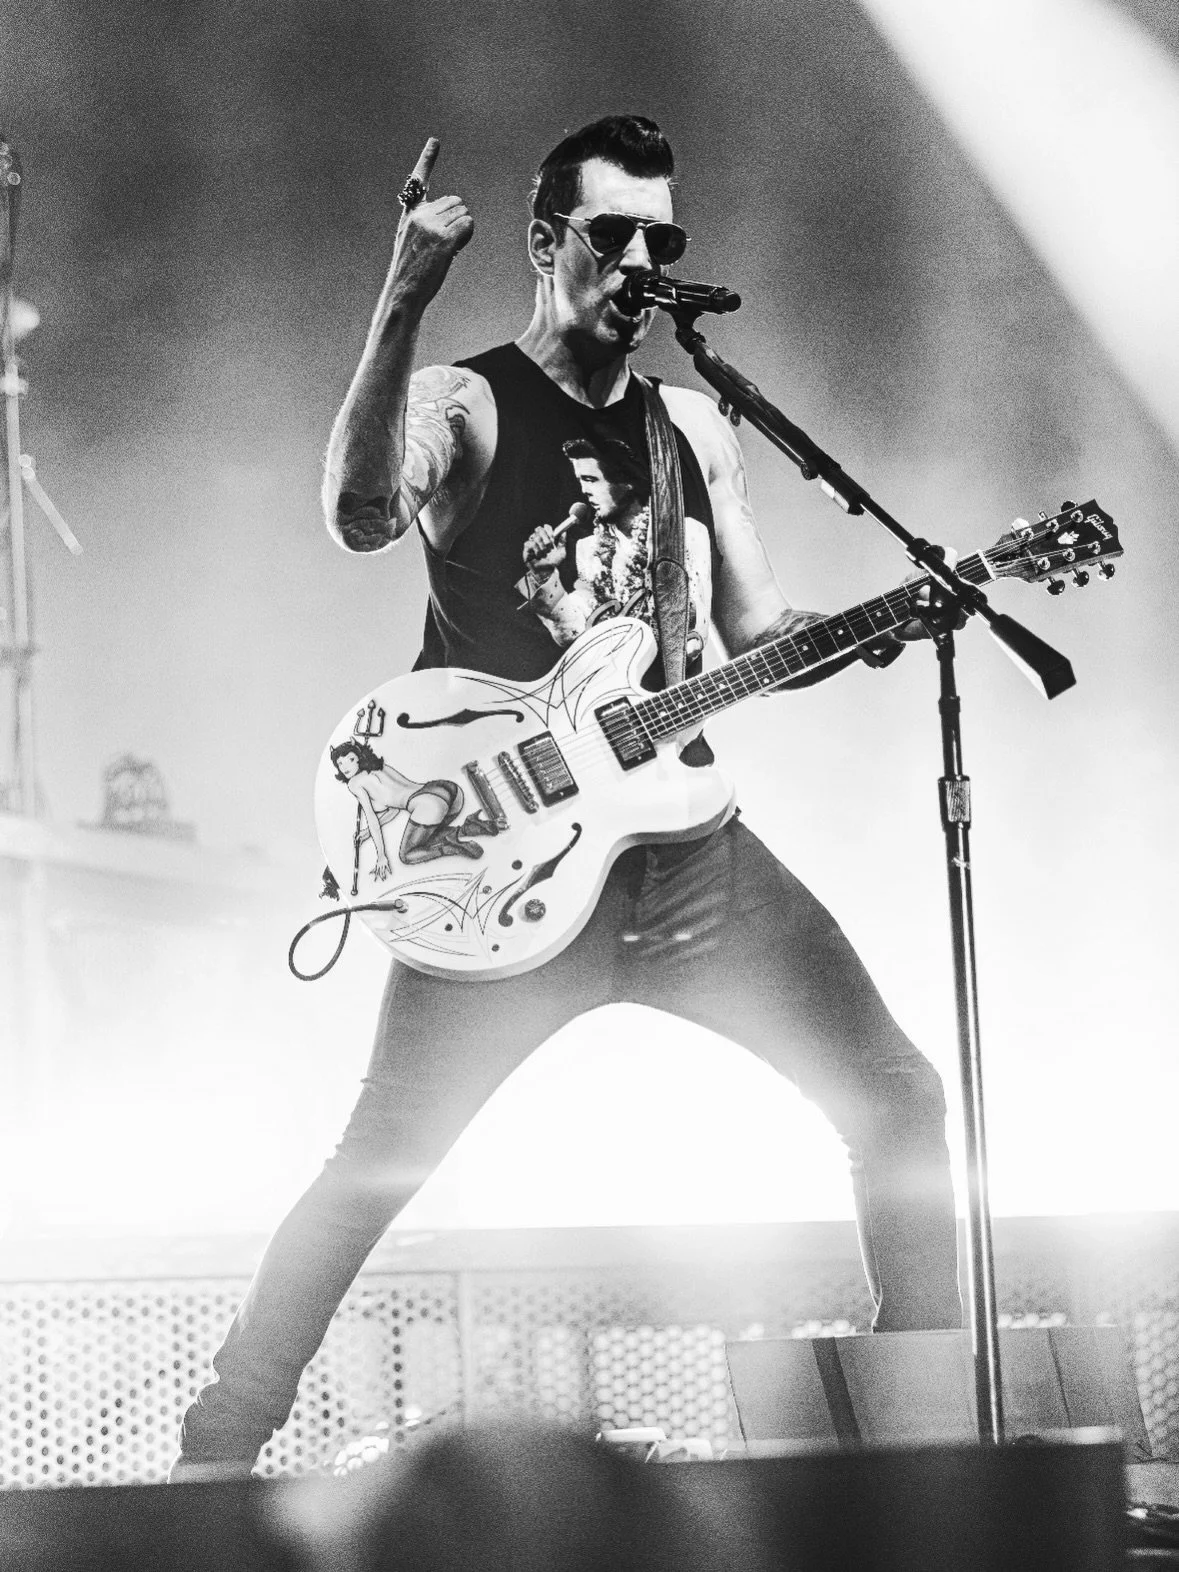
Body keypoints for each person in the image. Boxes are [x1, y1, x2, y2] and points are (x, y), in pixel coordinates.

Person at [172, 114, 961, 1480]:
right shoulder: (466, 404)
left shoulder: (694, 429)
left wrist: (878, 621)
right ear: (546, 247)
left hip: (685, 853)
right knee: (374, 1167)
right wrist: (405, 295)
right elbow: (359, 515)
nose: (643, 260)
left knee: (897, 1098)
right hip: (503, 857)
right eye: (613, 236)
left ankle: (929, 1446)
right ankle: (214, 1453)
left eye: (665, 238)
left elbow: (756, 636)